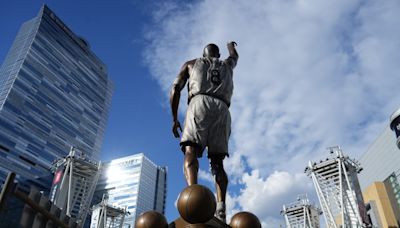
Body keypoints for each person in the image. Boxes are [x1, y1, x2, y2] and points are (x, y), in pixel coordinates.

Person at [170, 41, 238, 222]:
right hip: (223, 109)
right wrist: (231, 47)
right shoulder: (227, 65)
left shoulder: (191, 63)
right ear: (218, 55)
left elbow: (176, 88)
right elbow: (234, 57)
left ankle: (193, 194)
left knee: (190, 150)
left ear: (204, 54)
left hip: (199, 102)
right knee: (218, 162)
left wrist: (174, 118)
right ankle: (221, 207)